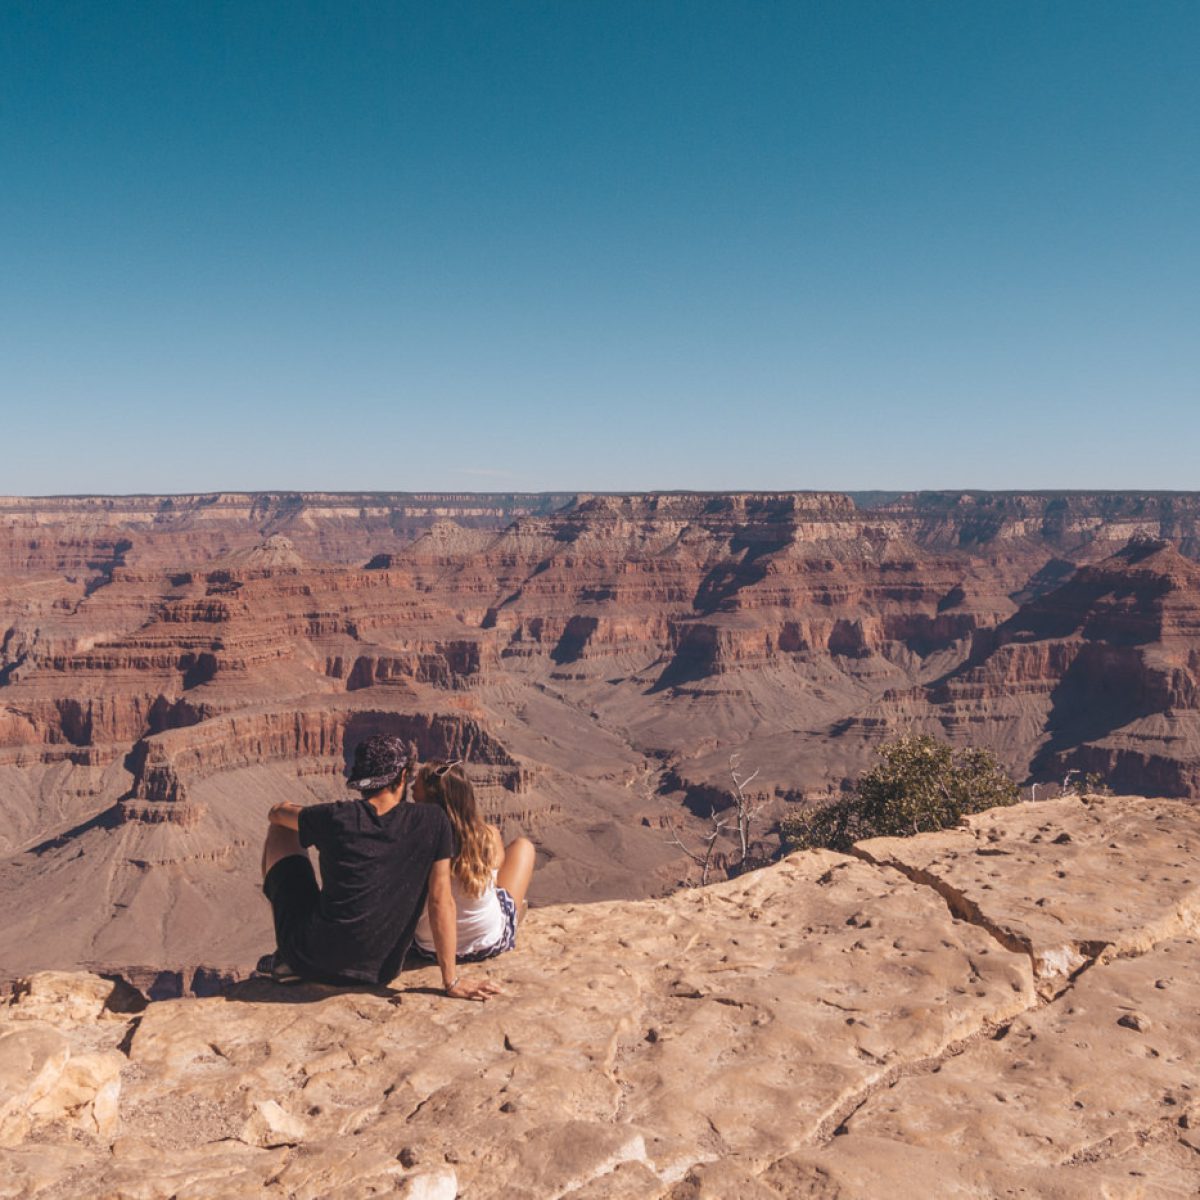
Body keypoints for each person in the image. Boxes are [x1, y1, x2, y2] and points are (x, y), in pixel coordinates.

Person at [260, 734, 500, 1001]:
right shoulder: (433, 821)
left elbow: (277, 813)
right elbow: (440, 901)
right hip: (382, 970)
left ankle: (286, 958)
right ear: (402, 778)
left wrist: (309, 816)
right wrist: (450, 981)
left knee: (280, 831)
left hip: (312, 960)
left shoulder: (334, 816)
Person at [411, 760, 535, 962]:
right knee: (523, 847)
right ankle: (505, 912)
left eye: (415, 787)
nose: (411, 790)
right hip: (487, 944)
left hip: (429, 949)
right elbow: (497, 864)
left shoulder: (411, 838)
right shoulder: (487, 836)